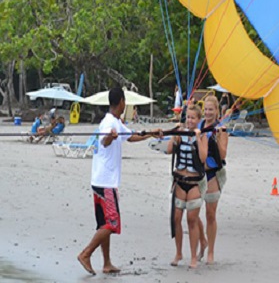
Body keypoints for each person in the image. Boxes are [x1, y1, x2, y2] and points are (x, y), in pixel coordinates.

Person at [77, 87, 162, 276]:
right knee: (111, 223)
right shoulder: (109, 123)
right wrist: (109, 137)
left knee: (103, 224)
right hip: (106, 182)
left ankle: (106, 263)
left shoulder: (115, 122)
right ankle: (85, 254)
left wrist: (151, 133)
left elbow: (131, 137)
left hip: (99, 179)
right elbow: (105, 141)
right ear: (121, 102)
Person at [166, 104, 208, 269]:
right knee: (176, 218)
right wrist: (173, 135)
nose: (189, 121)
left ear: (198, 120)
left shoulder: (202, 135)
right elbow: (170, 150)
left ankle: (193, 257)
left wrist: (197, 138)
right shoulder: (180, 133)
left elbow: (203, 158)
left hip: (194, 183)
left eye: (193, 118)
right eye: (188, 117)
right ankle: (178, 253)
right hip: (180, 181)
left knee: (192, 220)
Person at [197, 96, 229, 264]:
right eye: (206, 109)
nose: (208, 112)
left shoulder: (221, 129)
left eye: (211, 109)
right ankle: (202, 240)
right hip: (198, 173)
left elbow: (223, 155)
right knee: (193, 214)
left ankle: (211, 253)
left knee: (210, 214)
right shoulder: (199, 126)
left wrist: (216, 139)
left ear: (217, 111)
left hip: (212, 175)